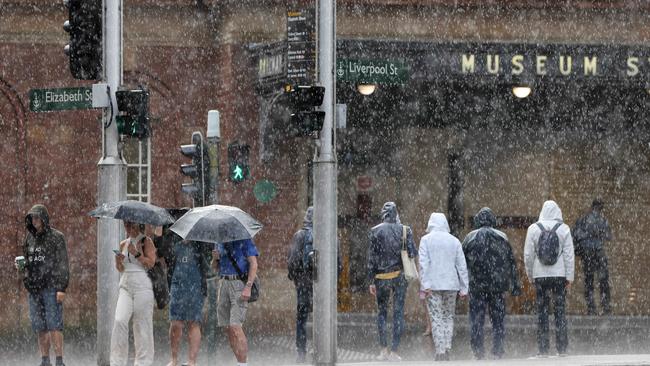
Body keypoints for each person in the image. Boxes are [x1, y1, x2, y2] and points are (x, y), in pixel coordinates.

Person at [462, 207, 521, 360]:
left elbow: (462, 264)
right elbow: (511, 263)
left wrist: (461, 286)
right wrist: (515, 285)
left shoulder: (469, 237)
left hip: (476, 286)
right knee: (498, 320)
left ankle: (478, 352)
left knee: (476, 320)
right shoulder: (503, 237)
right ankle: (498, 350)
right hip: (497, 286)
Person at [17, 204, 69, 366]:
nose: (34, 220)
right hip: (34, 289)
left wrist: (62, 287)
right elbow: (27, 261)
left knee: (54, 325)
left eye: (37, 217)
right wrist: (23, 270)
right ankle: (45, 360)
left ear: (44, 218)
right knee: (40, 326)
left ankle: (59, 360)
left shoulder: (56, 237)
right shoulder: (29, 238)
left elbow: (63, 263)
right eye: (32, 218)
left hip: (52, 288)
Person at [524, 200, 575, 357]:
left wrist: (530, 274)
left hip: (540, 275)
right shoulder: (564, 228)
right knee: (560, 311)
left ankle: (543, 349)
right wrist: (569, 277)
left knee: (542, 312)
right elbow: (569, 255)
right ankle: (562, 348)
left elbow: (528, 255)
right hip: (559, 275)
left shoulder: (533, 229)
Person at [367, 202, 417, 361]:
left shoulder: (375, 231)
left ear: (383, 214)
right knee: (398, 312)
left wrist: (371, 281)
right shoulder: (405, 230)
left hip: (381, 278)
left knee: (381, 313)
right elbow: (412, 253)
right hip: (399, 277)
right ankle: (395, 351)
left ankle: (383, 350)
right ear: (396, 214)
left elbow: (371, 259)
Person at [418, 212, 469, 361]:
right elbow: (461, 266)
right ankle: (447, 347)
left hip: (432, 285)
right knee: (448, 316)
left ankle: (440, 351)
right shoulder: (454, 241)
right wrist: (464, 287)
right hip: (451, 285)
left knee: (436, 318)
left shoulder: (425, 240)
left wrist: (424, 284)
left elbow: (423, 264)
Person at [110, 221, 157, 366]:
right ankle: (117, 361)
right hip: (126, 285)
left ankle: (143, 361)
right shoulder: (123, 243)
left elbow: (151, 263)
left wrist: (136, 253)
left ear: (138, 225)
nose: (128, 227)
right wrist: (118, 261)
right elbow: (121, 269)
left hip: (143, 286)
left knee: (141, 324)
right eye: (126, 225)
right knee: (119, 320)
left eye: (130, 224)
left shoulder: (146, 241)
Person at [164, 236, 211, 366]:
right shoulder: (175, 246)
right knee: (176, 324)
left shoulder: (201, 246)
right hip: (177, 287)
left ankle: (192, 361)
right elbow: (164, 256)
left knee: (194, 323)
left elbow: (208, 261)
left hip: (196, 288)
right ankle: (174, 359)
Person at [213, 238, 259, 366]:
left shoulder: (244, 239)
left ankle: (243, 364)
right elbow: (215, 268)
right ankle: (239, 361)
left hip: (239, 283)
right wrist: (215, 259)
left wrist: (248, 287)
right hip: (223, 283)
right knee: (228, 327)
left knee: (236, 326)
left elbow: (254, 264)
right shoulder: (219, 240)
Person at [572, 199, 612, 315]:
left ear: (592, 207)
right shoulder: (603, 220)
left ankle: (591, 308)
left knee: (589, 281)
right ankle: (606, 308)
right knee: (603, 280)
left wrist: (587, 237)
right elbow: (609, 236)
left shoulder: (583, 219)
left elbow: (575, 234)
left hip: (587, 253)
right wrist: (598, 233)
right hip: (599, 253)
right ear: (600, 208)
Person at [287, 207, 315, 363]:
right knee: (323, 317)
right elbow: (337, 264)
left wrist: (295, 278)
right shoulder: (329, 235)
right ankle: (321, 348)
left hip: (303, 282)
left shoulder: (299, 236)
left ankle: (301, 352)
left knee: (302, 318)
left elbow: (292, 261)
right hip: (322, 284)